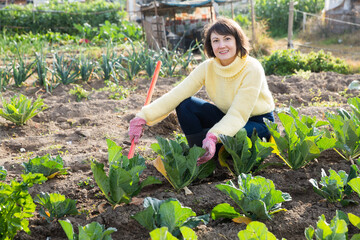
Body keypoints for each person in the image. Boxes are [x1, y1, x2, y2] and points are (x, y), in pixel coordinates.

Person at [128, 17, 275, 165]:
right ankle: (199, 155)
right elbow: (177, 94)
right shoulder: (208, 67)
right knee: (185, 105)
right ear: (210, 45)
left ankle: (213, 149)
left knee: (235, 136)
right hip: (226, 116)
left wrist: (214, 135)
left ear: (237, 40)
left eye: (227, 39)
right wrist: (143, 117)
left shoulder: (252, 67)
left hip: (258, 122)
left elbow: (238, 114)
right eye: (215, 40)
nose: (221, 45)